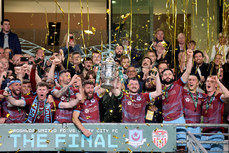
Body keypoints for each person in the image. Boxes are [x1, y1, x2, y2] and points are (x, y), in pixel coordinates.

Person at [161, 49, 193, 150]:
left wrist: (190, 57)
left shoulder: (178, 84)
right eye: (165, 75)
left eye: (169, 74)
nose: (167, 76)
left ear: (173, 76)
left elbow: (188, 71)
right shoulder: (159, 89)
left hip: (179, 119)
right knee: (167, 147)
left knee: (181, 147)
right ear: (162, 77)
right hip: (165, 121)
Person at [4, 81, 82, 123]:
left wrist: (78, 99)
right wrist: (7, 96)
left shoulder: (52, 102)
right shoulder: (31, 100)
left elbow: (69, 104)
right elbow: (15, 102)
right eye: (40, 89)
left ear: (47, 91)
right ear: (36, 91)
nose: (41, 91)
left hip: (46, 129)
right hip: (30, 128)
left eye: (43, 90)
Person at [201, 75, 229, 152]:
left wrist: (218, 82)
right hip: (204, 134)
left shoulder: (218, 97)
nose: (209, 83)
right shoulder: (203, 99)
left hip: (216, 134)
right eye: (207, 81)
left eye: (212, 81)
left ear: (215, 85)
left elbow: (228, 95)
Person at [183, 74, 205, 140]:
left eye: (193, 80)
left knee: (196, 149)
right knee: (184, 149)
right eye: (189, 80)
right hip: (185, 126)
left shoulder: (202, 96)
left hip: (197, 127)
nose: (191, 82)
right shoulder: (182, 94)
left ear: (198, 83)